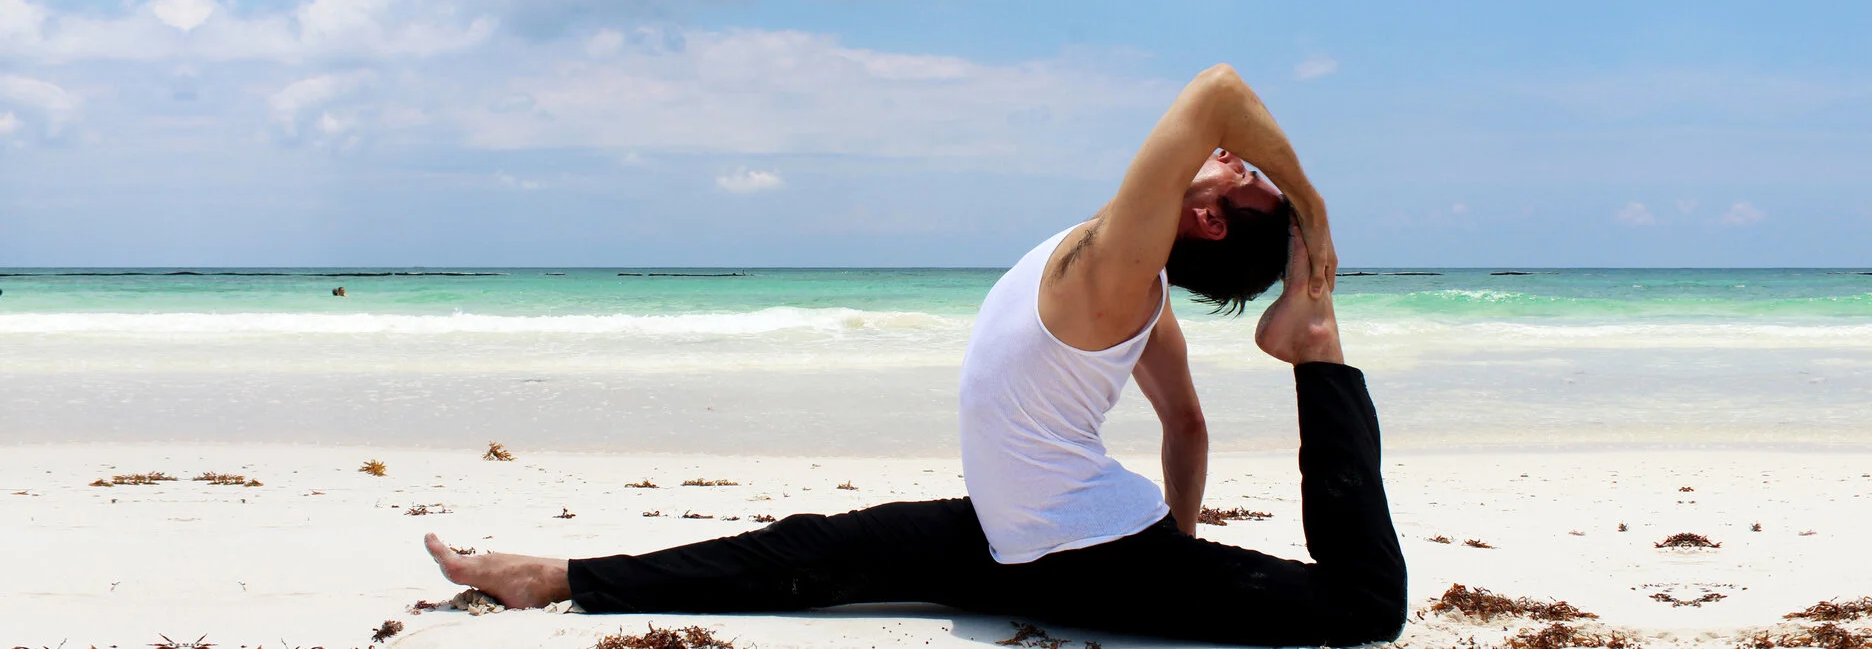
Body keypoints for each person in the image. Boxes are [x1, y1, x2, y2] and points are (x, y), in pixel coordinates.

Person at [422, 65, 1407, 647]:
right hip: (1012, 536)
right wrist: (1181, 547)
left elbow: (1218, 90)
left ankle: (1316, 347)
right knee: (806, 552)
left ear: (1197, 216)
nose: (1243, 162)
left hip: (1080, 556)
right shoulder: (1132, 286)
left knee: (1363, 606)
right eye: (1248, 169)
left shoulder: (1114, 266)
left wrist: (1309, 227)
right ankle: (554, 573)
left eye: (1249, 184)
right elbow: (1185, 425)